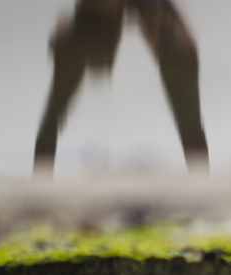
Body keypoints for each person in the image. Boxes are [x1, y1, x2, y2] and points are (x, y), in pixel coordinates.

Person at [33, 0, 209, 175]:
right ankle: (201, 181)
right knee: (53, 116)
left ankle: (201, 181)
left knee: (189, 121)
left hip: (168, 47)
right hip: (85, 42)